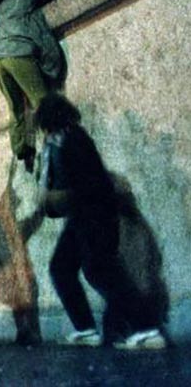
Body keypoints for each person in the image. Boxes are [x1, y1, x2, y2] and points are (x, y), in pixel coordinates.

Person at [37, 94, 168, 349]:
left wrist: (57, 197)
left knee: (101, 270)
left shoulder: (72, 139)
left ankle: (146, 329)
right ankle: (86, 330)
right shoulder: (60, 140)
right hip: (81, 216)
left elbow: (91, 184)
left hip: (94, 215)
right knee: (61, 267)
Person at [0, 0, 64, 172]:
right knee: (40, 98)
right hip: (17, 54)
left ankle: (22, 148)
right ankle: (56, 138)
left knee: (15, 107)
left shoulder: (0, 10)